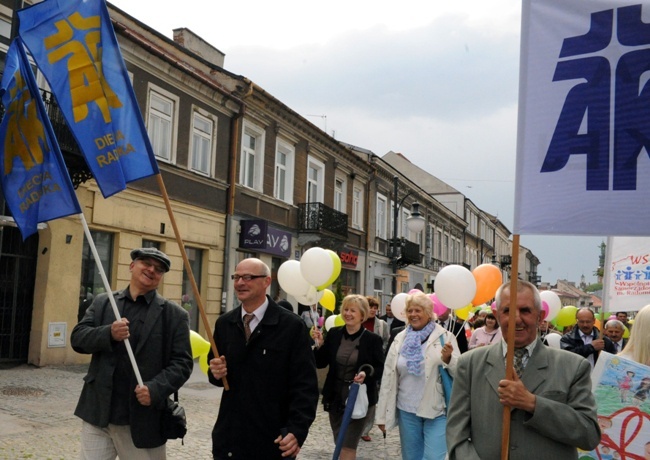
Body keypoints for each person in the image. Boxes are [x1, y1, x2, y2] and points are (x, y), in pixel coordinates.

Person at [446, 280, 601, 459]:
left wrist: (533, 403)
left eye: (525, 310)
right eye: (507, 311)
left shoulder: (573, 367)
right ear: (496, 315)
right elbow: (456, 434)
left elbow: (589, 435)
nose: (517, 318)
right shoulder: (470, 364)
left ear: (540, 316)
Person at [71, 247, 193, 459]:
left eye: (159, 269)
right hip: (98, 413)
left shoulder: (174, 315)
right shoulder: (104, 302)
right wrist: (108, 333)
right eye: (146, 263)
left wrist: (155, 389)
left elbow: (182, 363)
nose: (151, 270)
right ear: (132, 266)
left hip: (142, 420)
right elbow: (78, 338)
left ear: (161, 277)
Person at [208, 258, 319, 459]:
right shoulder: (225, 324)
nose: (240, 282)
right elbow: (215, 371)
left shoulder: (291, 326)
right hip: (230, 438)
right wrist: (215, 372)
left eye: (248, 277)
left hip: (272, 440)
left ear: (267, 281)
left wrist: (297, 430)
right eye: (237, 277)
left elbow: (305, 385)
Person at [376, 293, 459, 460]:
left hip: (436, 409)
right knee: (411, 457)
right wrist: (382, 415)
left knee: (434, 457)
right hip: (406, 409)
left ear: (429, 313)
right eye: (410, 310)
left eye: (418, 310)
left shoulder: (445, 336)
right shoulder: (400, 338)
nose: (413, 314)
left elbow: (461, 372)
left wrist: (449, 359)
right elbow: (388, 376)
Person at [312, 295, 385, 460]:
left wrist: (366, 374)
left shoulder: (372, 339)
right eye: (346, 309)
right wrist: (319, 344)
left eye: (353, 310)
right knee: (339, 442)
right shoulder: (334, 333)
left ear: (362, 314)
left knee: (348, 445)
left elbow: (380, 368)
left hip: (359, 398)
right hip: (336, 397)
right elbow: (320, 362)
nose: (348, 313)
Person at [359, 296, 390, 442]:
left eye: (375, 307)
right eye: (370, 307)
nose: (372, 310)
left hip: (374, 365)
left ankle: (366, 429)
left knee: (372, 398)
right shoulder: (359, 321)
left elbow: (386, 341)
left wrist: (377, 351)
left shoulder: (382, 324)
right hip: (358, 364)